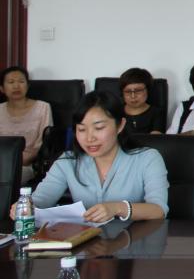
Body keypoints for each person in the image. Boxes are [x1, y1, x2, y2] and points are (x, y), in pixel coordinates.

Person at [11, 90, 168, 222]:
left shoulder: (148, 158)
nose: (89, 138)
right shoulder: (68, 161)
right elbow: (41, 200)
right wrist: (25, 207)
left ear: (120, 125)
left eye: (99, 128)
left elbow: (159, 210)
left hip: (133, 243)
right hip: (84, 244)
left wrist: (117, 208)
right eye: (81, 129)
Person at [0, 65, 53, 182]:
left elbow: (43, 142)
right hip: (2, 162)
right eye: (11, 82)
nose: (16, 86)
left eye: (21, 81)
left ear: (28, 86)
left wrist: (17, 160)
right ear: (2, 88)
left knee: (9, 175)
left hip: (26, 166)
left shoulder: (43, 107)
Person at [119, 68, 163, 134]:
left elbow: (155, 138)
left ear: (148, 90)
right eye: (128, 91)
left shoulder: (156, 113)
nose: (133, 96)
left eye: (138, 91)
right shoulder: (115, 112)